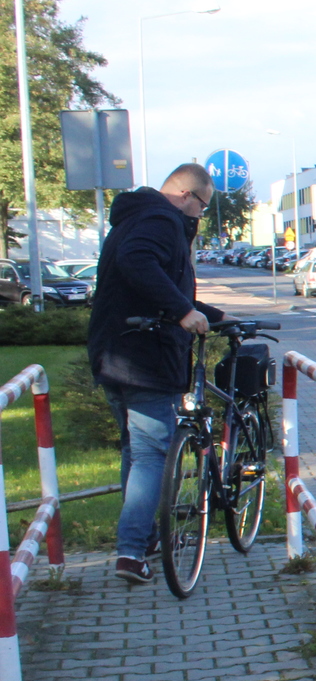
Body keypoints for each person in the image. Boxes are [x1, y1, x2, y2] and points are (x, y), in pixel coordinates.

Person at [86, 163, 226, 585]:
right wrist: (184, 312)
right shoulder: (161, 220)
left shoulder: (134, 217)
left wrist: (213, 315)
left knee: (135, 452)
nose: (200, 215)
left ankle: (143, 540)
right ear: (186, 195)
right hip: (144, 358)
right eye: (202, 206)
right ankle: (131, 553)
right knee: (151, 455)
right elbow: (138, 263)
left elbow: (157, 283)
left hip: (114, 353)